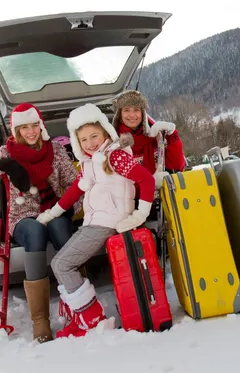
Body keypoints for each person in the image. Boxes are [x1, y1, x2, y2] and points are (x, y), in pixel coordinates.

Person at [36, 103, 155, 339]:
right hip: (95, 221)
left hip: (109, 221)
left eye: (94, 136)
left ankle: (91, 320)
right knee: (62, 263)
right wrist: (52, 213)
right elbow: (74, 192)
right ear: (77, 143)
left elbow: (147, 181)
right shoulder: (91, 162)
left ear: (105, 133)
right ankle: (84, 317)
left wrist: (139, 215)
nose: (90, 143)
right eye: (83, 140)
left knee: (62, 264)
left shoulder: (114, 157)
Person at [0, 102, 79, 344]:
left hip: (54, 211)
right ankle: (40, 321)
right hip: (22, 218)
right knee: (36, 230)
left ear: (41, 126)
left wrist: (69, 208)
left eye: (34, 126)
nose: (31, 132)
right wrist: (0, 166)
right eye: (24, 128)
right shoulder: (6, 153)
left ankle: (78, 305)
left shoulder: (56, 151)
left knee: (60, 226)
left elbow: (75, 184)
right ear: (16, 131)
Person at [112, 90, 186, 188]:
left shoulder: (157, 136)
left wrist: (172, 134)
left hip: (164, 195)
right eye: (126, 110)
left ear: (142, 113)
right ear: (120, 115)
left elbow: (176, 166)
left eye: (136, 110)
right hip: (134, 201)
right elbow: (118, 184)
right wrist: (151, 183)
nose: (132, 115)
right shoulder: (115, 144)